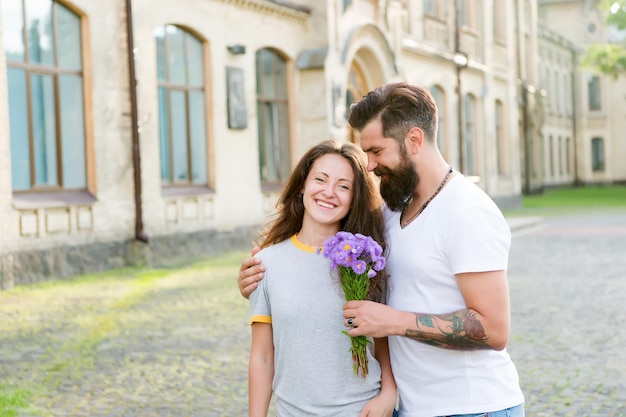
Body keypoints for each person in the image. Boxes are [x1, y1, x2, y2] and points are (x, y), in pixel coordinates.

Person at [239, 82, 525, 417]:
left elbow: (493, 329)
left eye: (376, 151)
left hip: (474, 407)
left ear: (414, 141)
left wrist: (393, 322)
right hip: (414, 407)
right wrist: (259, 279)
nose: (370, 165)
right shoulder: (392, 212)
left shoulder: (467, 211)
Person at [247, 139, 397, 417]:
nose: (329, 192)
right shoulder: (266, 263)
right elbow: (262, 356)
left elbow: (382, 340)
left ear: (355, 198)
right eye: (320, 179)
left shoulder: (365, 260)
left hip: (363, 411)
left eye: (343, 186)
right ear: (303, 184)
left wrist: (389, 392)